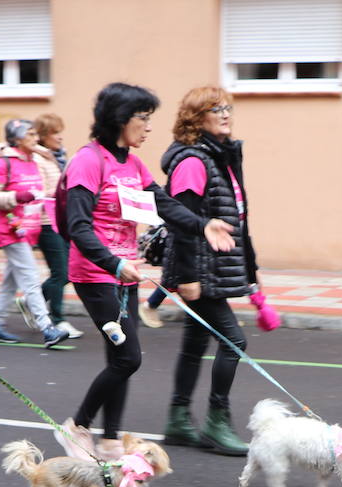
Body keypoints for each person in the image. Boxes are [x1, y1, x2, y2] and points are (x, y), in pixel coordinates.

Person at [56, 82, 235, 462]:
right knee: (128, 358)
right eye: (143, 117)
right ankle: (78, 427)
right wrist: (114, 263)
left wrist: (202, 225)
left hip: (124, 273)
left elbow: (164, 203)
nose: (149, 126)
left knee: (119, 359)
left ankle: (108, 440)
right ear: (120, 119)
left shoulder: (132, 163)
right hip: (96, 274)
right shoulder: (89, 161)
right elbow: (78, 225)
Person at [157, 87, 261, 457]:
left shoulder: (219, 156)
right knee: (235, 341)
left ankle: (178, 419)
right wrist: (187, 278)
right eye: (216, 108)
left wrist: (250, 269)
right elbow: (181, 222)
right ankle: (217, 423)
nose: (226, 113)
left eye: (228, 107)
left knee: (195, 343)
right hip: (200, 271)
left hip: (214, 268)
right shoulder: (193, 162)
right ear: (196, 117)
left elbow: (238, 219)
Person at [0, 119, 69, 347]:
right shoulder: (3, 163)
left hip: (27, 229)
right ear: (17, 138)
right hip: (9, 229)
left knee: (10, 282)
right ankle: (47, 328)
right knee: (30, 277)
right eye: (29, 134)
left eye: (34, 134)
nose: (35, 138)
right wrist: (16, 198)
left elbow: (38, 189)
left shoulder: (32, 161)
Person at [32, 112, 79, 338]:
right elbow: (38, 191)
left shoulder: (56, 157)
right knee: (61, 272)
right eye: (55, 133)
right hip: (45, 223)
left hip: (60, 221)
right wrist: (61, 193)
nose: (60, 137)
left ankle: (33, 301)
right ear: (43, 136)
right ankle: (58, 319)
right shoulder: (38, 159)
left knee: (69, 270)